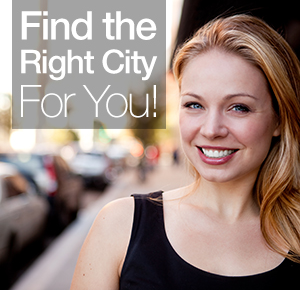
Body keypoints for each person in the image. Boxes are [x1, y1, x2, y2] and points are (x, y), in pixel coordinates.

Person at [70, 14, 300, 289]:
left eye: (239, 107)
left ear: (278, 119)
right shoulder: (120, 226)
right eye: (194, 105)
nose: (212, 129)